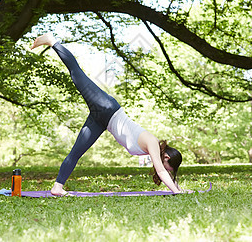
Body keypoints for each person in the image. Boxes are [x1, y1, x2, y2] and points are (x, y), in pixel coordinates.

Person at [31, 33, 189, 196]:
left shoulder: (156, 150)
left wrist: (178, 188)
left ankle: (57, 187)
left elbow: (166, 171)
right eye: (167, 166)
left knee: (76, 152)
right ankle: (53, 41)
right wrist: (177, 192)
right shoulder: (153, 144)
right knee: (77, 74)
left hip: (102, 121)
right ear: (167, 157)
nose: (163, 169)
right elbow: (162, 172)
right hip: (106, 108)